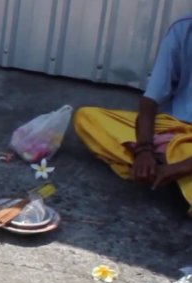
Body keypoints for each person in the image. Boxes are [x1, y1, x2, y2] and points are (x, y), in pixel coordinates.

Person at [73, 14, 192, 215]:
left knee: (182, 154)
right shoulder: (182, 30)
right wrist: (144, 150)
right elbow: (150, 101)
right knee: (87, 118)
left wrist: (182, 166)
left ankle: (170, 169)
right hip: (173, 127)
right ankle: (157, 167)